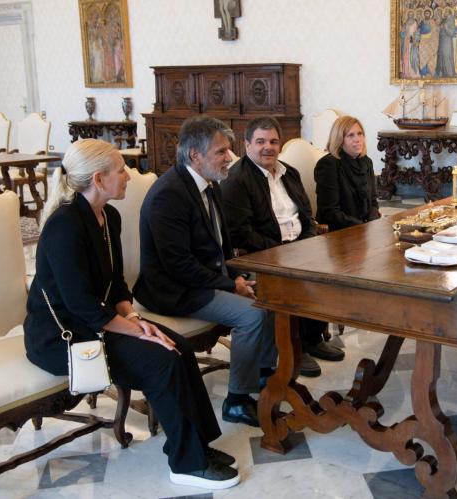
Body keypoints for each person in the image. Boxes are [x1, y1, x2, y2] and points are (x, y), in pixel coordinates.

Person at [23, 139, 239, 489]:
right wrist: (138, 331)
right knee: (161, 360)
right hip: (62, 336)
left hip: (99, 321)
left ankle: (199, 444)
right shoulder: (65, 225)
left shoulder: (109, 216)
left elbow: (118, 284)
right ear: (98, 179)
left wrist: (137, 321)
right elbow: (80, 305)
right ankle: (186, 464)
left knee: (178, 347)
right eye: (121, 170)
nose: (128, 176)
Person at [133, 116, 275, 429]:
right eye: (221, 152)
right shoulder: (168, 195)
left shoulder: (209, 185)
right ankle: (237, 400)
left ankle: (267, 379)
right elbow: (178, 266)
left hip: (204, 277)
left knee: (276, 294)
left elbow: (220, 247)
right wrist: (230, 284)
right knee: (252, 314)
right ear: (195, 156)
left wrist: (239, 275)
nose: (230, 158)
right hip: (174, 291)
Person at [219, 116, 345, 377]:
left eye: (274, 141)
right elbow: (240, 232)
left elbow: (306, 214)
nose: (268, 147)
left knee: (330, 269)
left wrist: (309, 240)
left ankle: (312, 338)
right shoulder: (237, 179)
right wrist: (283, 249)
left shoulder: (289, 172)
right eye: (261, 141)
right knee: (295, 281)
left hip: (299, 246)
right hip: (264, 254)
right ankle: (293, 348)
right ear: (246, 145)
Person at [314, 116, 380, 231]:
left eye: (360, 134)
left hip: (364, 229)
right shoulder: (328, 165)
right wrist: (361, 227)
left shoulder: (366, 162)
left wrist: (372, 222)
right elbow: (330, 212)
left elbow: (373, 202)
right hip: (338, 232)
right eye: (350, 135)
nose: (357, 139)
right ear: (339, 140)